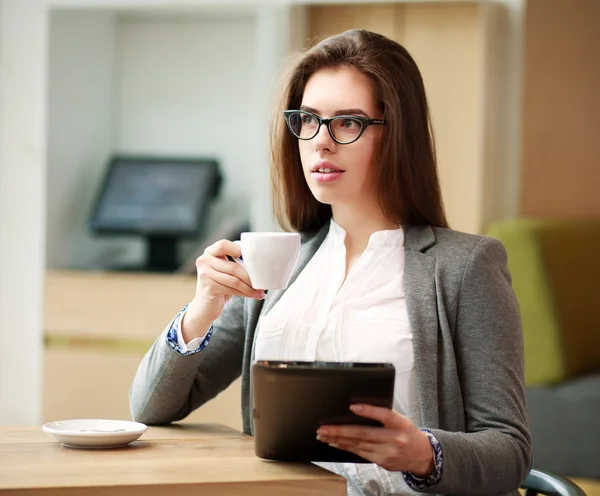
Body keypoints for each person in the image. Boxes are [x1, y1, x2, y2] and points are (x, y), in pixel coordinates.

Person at [130, 29, 531, 495]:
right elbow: (150, 407)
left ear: (396, 134)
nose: (320, 142)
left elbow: (510, 450)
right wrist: (203, 307)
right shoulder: (279, 262)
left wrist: (423, 452)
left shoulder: (465, 267)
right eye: (309, 119)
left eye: (347, 122)